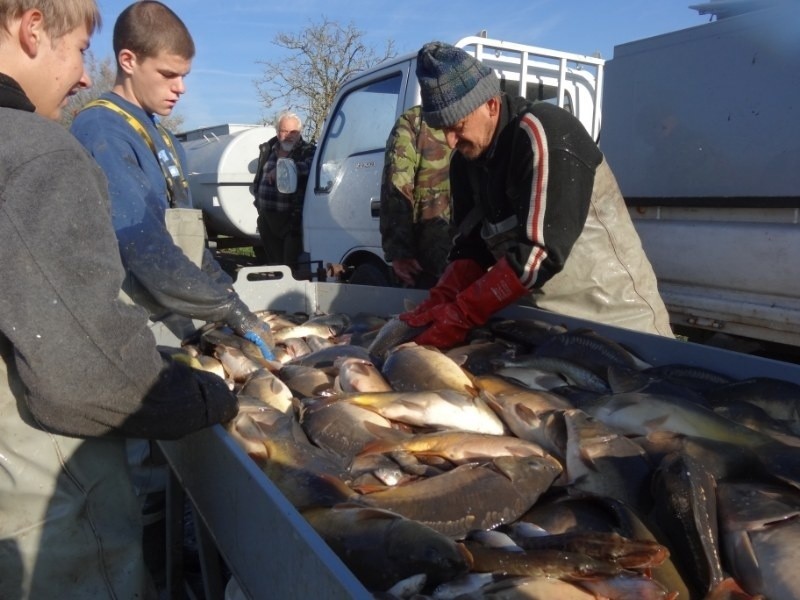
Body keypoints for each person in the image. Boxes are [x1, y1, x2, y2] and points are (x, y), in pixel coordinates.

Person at [0, 1, 239, 598]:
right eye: (81, 49)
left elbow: (185, 232)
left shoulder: (156, 135)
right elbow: (82, 372)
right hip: (42, 491)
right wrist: (206, 397)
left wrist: (224, 299)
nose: (85, 74)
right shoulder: (50, 146)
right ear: (31, 29)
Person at [400, 42, 674, 349]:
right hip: (549, 331)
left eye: (458, 126)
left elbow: (540, 254)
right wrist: (440, 298)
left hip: (618, 327)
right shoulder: (466, 162)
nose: (450, 141)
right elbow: (471, 247)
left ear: (491, 104)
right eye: (441, 130)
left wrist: (463, 314)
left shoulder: (543, 132)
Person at [70, 1, 275, 360]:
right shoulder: (102, 129)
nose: (180, 88)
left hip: (170, 312)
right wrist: (227, 310)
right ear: (128, 60)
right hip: (128, 325)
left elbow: (190, 242)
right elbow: (142, 245)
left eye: (184, 76)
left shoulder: (163, 137)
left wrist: (232, 302)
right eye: (168, 74)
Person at [379, 105, 453, 289]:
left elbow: (396, 187)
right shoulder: (482, 112)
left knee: (426, 310)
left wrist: (399, 252)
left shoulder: (414, 122)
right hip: (478, 256)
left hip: (429, 256)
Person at [252, 110, 316, 275]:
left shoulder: (308, 150)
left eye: (293, 132)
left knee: (290, 267)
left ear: (300, 132)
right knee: (275, 265)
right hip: (267, 217)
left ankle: (291, 297)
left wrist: (285, 169)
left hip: (292, 220)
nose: (288, 135)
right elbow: (260, 176)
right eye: (284, 131)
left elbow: (311, 167)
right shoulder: (268, 149)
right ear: (277, 131)